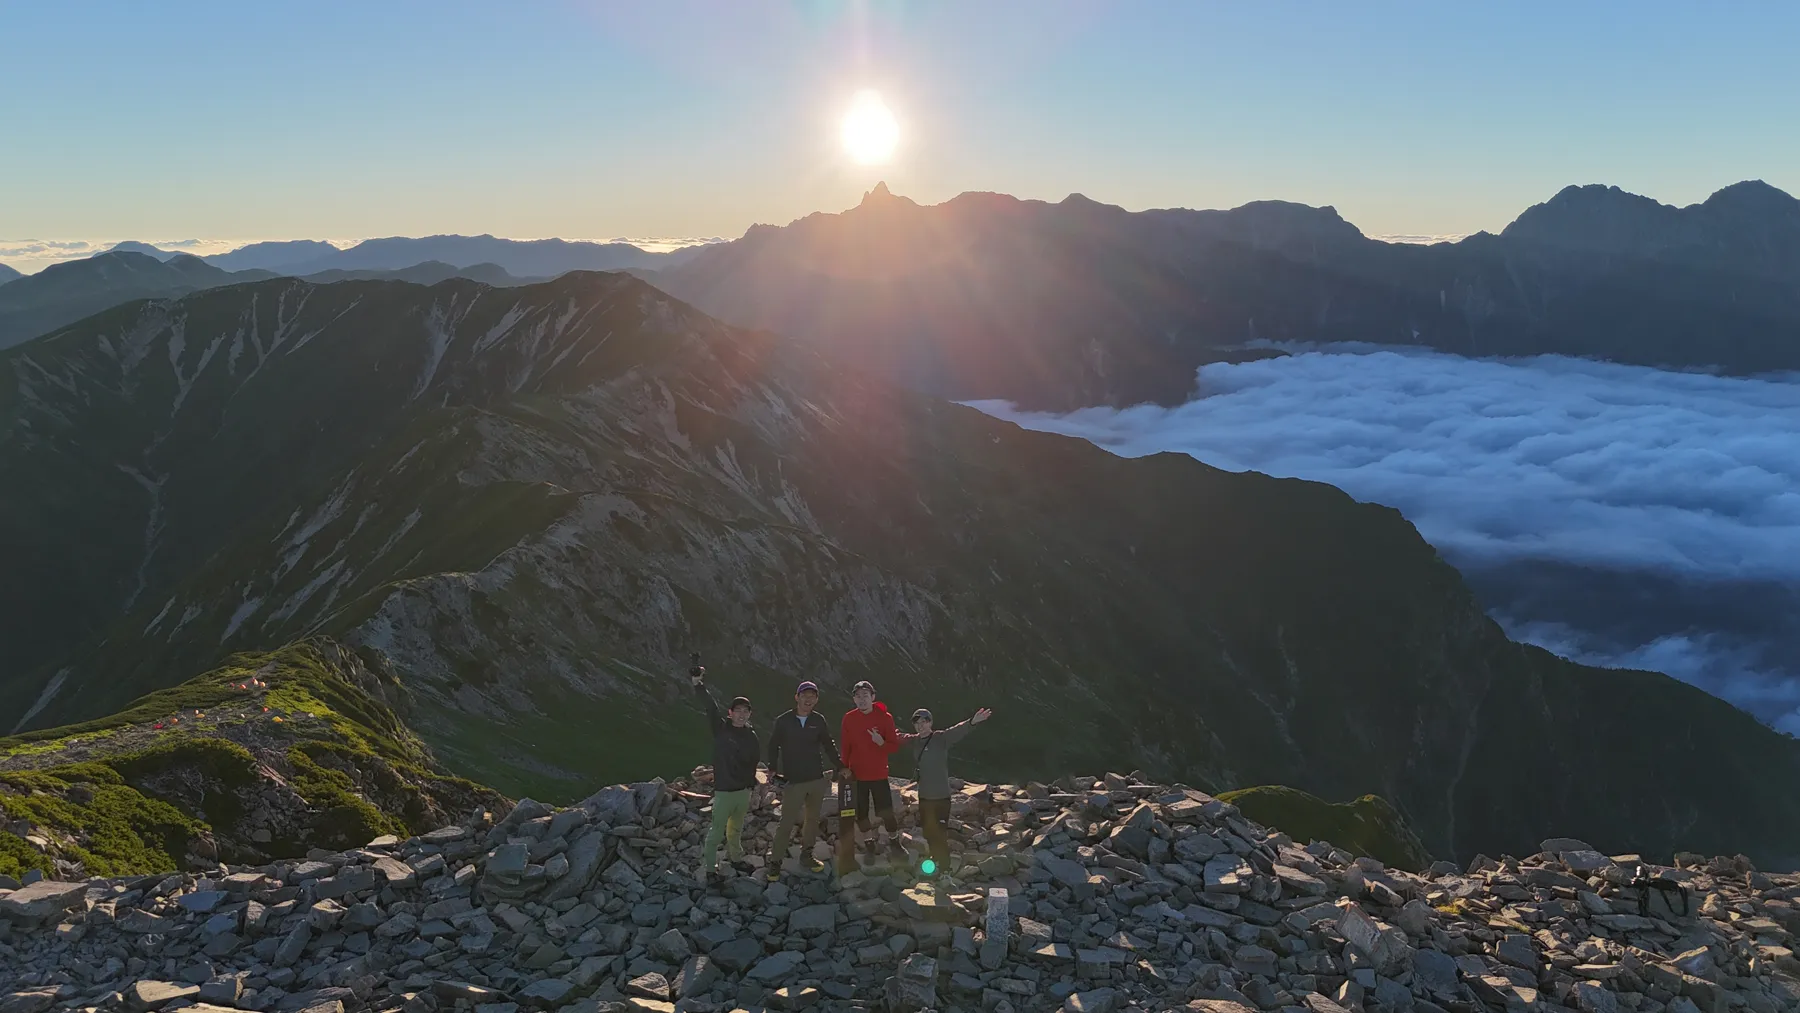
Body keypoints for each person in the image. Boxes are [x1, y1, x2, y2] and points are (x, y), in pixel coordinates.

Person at [898, 706, 992, 877]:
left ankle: (945, 869)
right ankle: (935, 859)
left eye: (924, 722)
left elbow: (958, 731)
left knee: (939, 833)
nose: (921, 726)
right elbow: (898, 738)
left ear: (930, 723)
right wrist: (882, 732)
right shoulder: (914, 741)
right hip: (924, 797)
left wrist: (972, 721)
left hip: (941, 797)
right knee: (928, 831)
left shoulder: (940, 738)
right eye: (917, 723)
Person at [690, 659, 759, 884]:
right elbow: (710, 706)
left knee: (736, 828)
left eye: (745, 711)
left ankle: (736, 858)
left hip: (743, 791)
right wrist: (698, 684)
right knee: (716, 830)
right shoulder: (720, 729)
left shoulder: (751, 736)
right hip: (724, 791)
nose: (741, 714)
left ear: (749, 714)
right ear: (730, 713)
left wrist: (752, 782)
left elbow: (754, 761)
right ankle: (710, 870)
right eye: (737, 710)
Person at [765, 680, 842, 880]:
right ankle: (775, 863)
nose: (808, 700)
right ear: (797, 697)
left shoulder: (819, 720)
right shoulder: (784, 721)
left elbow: (828, 744)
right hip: (794, 780)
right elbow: (773, 745)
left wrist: (840, 765)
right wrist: (772, 768)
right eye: (805, 696)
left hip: (816, 778)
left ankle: (807, 856)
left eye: (812, 697)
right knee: (786, 823)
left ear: (816, 700)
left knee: (812, 820)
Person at [840, 680, 906, 863]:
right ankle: (870, 846)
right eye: (858, 696)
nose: (862, 700)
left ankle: (895, 843)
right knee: (860, 813)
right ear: (854, 699)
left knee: (886, 811)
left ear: (873, 697)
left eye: (865, 696)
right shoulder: (849, 718)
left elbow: (893, 747)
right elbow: (846, 746)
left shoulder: (885, 718)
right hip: (857, 774)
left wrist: (881, 743)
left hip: (878, 774)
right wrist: (844, 767)